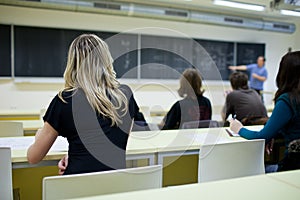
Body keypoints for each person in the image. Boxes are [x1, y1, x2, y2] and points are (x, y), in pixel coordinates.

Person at [27, 34, 141, 175]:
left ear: (73, 64)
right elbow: (113, 144)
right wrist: (76, 155)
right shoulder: (125, 96)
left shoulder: (64, 100)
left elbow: (33, 157)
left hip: (77, 186)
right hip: (116, 185)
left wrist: (39, 136)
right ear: (106, 60)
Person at [229, 51, 300, 172]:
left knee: (250, 170)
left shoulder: (288, 100)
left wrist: (239, 128)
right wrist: (273, 132)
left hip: (292, 168)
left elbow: (260, 137)